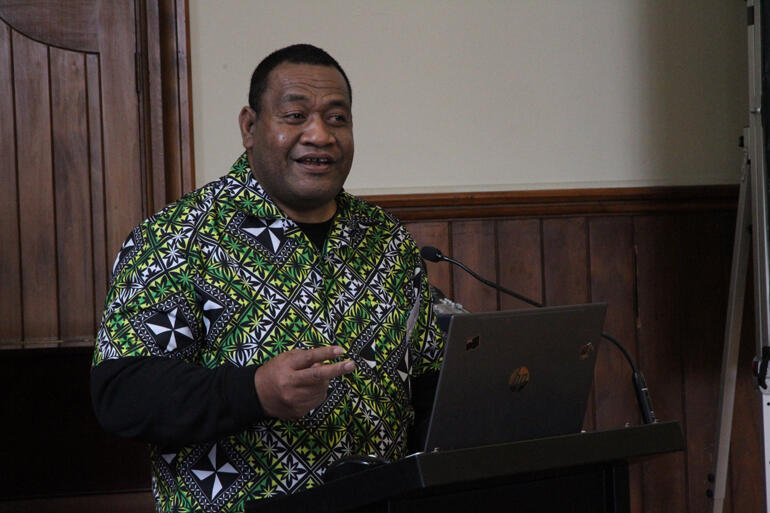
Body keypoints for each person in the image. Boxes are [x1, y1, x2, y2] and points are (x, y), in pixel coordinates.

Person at [91, 44, 444, 513]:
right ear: (250, 127)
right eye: (296, 115)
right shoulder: (178, 238)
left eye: (337, 118)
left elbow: (428, 380)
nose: (320, 135)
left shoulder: (386, 239)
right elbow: (122, 393)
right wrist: (253, 391)